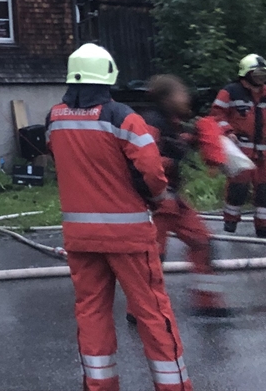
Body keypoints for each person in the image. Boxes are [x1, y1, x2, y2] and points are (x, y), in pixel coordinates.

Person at [46, 43, 191, 391]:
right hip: (128, 237)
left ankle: (100, 386)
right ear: (108, 75)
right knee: (153, 314)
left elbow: (59, 159)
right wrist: (158, 199)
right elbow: (153, 173)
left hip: (80, 238)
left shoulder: (54, 118)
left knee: (91, 313)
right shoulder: (123, 118)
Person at [132, 75, 228, 317]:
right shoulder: (151, 123)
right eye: (181, 93)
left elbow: (175, 144)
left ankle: (208, 303)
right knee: (154, 259)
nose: (186, 98)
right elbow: (141, 162)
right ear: (167, 97)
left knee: (203, 243)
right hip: (155, 202)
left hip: (172, 200)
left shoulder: (170, 123)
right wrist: (171, 160)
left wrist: (195, 139)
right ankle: (140, 311)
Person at [212, 54, 266, 238]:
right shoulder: (230, 92)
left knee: (265, 190)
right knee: (237, 188)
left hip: (264, 153)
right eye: (257, 74)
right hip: (240, 151)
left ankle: (264, 226)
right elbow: (217, 115)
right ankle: (230, 223)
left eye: (264, 74)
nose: (261, 78)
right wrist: (227, 132)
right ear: (246, 74)